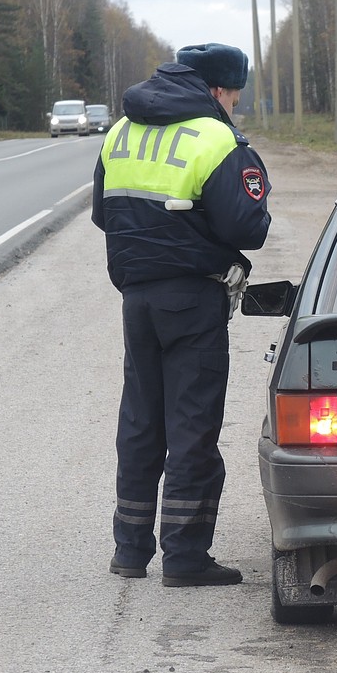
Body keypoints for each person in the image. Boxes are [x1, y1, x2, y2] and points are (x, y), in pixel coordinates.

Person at [91, 43, 271, 587]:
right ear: (218, 89)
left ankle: (130, 550)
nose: (234, 105)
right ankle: (186, 557)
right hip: (193, 297)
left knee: (141, 422)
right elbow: (248, 229)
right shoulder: (215, 137)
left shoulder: (122, 129)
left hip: (136, 296)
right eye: (235, 96)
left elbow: (104, 212)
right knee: (192, 425)